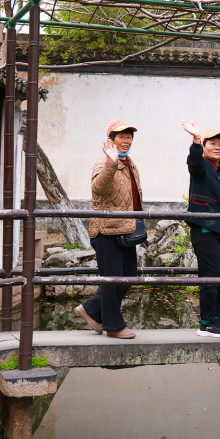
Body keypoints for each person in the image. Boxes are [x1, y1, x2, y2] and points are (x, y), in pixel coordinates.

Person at [74, 118, 142, 339]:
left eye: (129, 136)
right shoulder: (104, 162)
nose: (126, 140)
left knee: (129, 276)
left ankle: (92, 309)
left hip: (126, 230)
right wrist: (111, 164)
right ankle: (113, 326)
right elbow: (99, 189)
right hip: (106, 230)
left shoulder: (129, 163)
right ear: (111, 140)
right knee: (112, 280)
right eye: (121, 136)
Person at [181, 121, 220, 338]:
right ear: (204, 146)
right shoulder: (202, 164)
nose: (217, 147)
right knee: (210, 274)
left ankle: (215, 317)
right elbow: (193, 162)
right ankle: (206, 324)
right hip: (205, 227)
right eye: (212, 143)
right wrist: (196, 140)